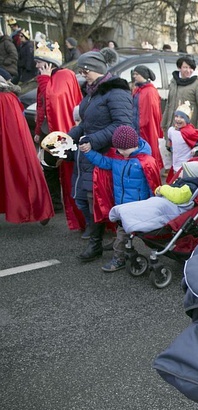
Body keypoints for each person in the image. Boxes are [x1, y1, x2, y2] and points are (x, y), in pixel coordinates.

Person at [68, 48, 134, 262]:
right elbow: (87, 123)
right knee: (85, 198)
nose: (81, 74)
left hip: (106, 155)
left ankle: (96, 244)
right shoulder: (92, 91)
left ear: (94, 69)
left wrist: (93, 140)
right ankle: (104, 237)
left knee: (94, 199)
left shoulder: (116, 92)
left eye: (83, 70)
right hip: (89, 153)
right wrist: (69, 136)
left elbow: (123, 126)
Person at [78, 124, 160, 271]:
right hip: (122, 207)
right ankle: (124, 254)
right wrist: (89, 151)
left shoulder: (145, 161)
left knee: (126, 236)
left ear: (134, 145)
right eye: (118, 149)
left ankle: (120, 258)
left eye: (124, 149)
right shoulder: (117, 158)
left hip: (137, 208)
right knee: (123, 235)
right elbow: (103, 162)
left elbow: (152, 185)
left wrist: (153, 203)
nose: (121, 152)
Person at [33, 40, 84, 227]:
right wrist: (38, 131)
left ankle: (68, 206)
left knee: (61, 168)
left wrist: (45, 80)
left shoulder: (64, 75)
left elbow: (53, 101)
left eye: (39, 62)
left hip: (61, 131)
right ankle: (54, 203)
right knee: (48, 168)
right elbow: (41, 107)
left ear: (48, 63)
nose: (37, 65)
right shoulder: (45, 78)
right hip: (48, 131)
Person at [0, 76, 54, 224]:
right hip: (16, 144)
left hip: (12, 144)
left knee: (19, 174)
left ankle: (37, 208)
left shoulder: (5, 99)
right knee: (22, 173)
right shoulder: (10, 98)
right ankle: (39, 208)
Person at [161, 55, 198, 138]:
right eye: (185, 67)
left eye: (191, 68)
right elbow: (169, 104)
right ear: (179, 68)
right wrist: (164, 124)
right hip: (172, 126)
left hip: (188, 129)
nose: (188, 70)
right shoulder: (173, 82)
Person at [131, 65, 164, 173]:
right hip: (137, 126)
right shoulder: (138, 89)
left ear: (143, 76)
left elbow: (151, 113)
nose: (134, 76)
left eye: (137, 74)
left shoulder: (149, 91)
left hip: (145, 128)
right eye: (134, 74)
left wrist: (141, 124)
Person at [166, 101, 198, 183]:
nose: (178, 119)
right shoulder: (171, 130)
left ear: (187, 120)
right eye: (176, 116)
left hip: (185, 167)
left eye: (182, 117)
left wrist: (196, 149)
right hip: (175, 164)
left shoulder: (190, 132)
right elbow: (171, 141)